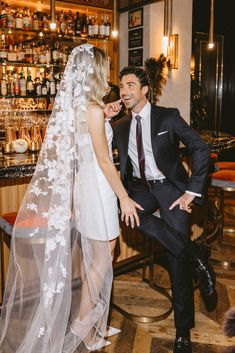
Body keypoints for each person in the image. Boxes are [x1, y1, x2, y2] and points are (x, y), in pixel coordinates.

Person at [0, 46, 142, 353]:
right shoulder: (91, 110)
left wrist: (104, 114)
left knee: (98, 255)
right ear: (95, 72)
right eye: (105, 67)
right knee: (103, 259)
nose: (108, 73)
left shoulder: (80, 109)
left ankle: (89, 325)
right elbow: (105, 161)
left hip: (84, 191)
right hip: (99, 189)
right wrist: (125, 197)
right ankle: (82, 324)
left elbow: (85, 142)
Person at [104, 66, 217, 353]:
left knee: (175, 256)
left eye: (130, 85)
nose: (124, 90)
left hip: (171, 190)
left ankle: (182, 330)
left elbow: (200, 148)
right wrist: (105, 116)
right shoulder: (119, 125)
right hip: (141, 190)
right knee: (132, 215)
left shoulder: (168, 116)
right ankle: (197, 256)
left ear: (145, 89)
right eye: (121, 86)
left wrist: (191, 191)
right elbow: (98, 150)